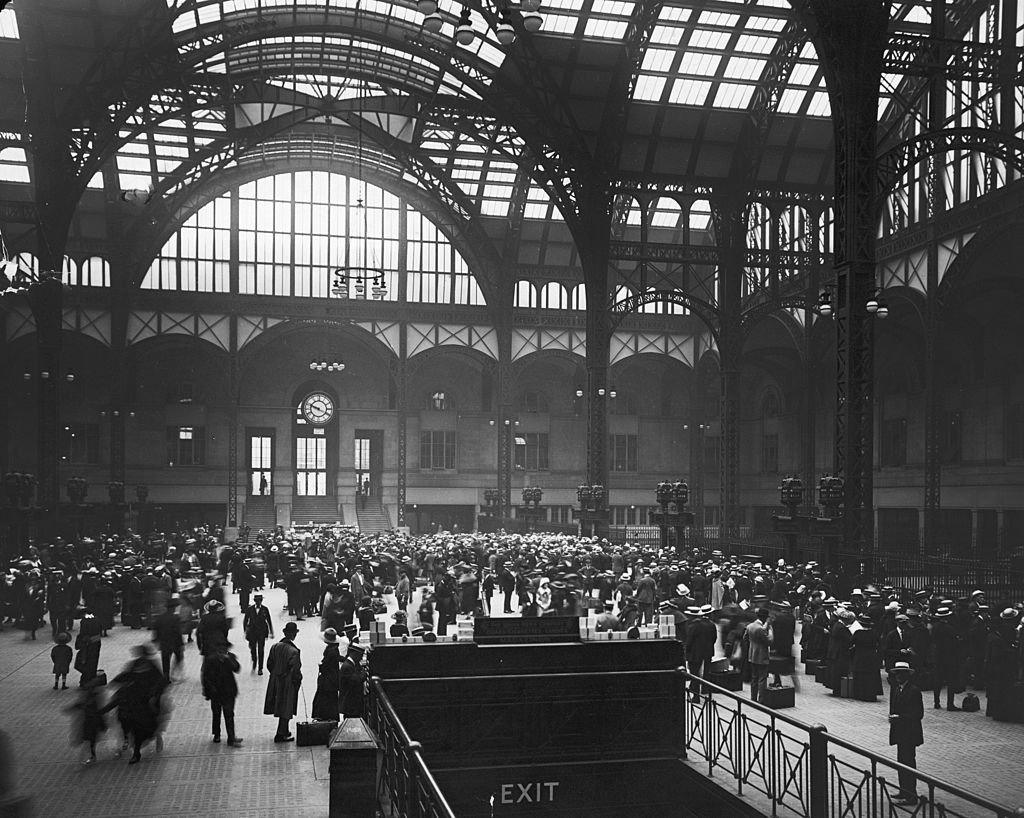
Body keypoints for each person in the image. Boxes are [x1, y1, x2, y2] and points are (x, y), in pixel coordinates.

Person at [104, 644, 168, 765]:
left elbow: (161, 682)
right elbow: (125, 675)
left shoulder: (151, 666)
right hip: (135, 700)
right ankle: (134, 747)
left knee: (144, 725)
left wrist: (154, 695)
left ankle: (139, 749)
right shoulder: (136, 664)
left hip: (146, 700)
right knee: (132, 724)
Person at [888, 661, 924, 805]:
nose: (897, 676)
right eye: (896, 673)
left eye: (900, 673)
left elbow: (918, 714)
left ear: (907, 675)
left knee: (908, 762)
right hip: (900, 733)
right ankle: (904, 790)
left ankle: (911, 795)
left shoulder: (914, 691)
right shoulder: (897, 689)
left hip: (909, 733)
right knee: (901, 762)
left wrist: (900, 718)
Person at [264, 620, 302, 742]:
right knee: (286, 707)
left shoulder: (275, 647)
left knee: (280, 706)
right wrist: (297, 681)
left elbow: (269, 664)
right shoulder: (294, 651)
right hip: (288, 683)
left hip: (275, 681)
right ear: (292, 635)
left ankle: (284, 731)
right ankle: (281, 734)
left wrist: (275, 674)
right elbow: (296, 670)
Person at [201, 645, 243, 746]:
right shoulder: (210, 660)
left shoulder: (230, 657)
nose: (222, 651)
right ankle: (217, 734)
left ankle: (231, 737)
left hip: (228, 691)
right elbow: (205, 676)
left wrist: (229, 659)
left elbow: (237, 669)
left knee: (229, 714)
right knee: (216, 713)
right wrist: (207, 691)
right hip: (215, 691)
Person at [64, 677, 107, 765]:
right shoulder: (91, 696)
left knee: (89, 739)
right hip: (89, 721)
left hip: (91, 721)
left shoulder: (92, 698)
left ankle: (91, 756)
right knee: (89, 739)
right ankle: (91, 755)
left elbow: (83, 705)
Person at [930, 606, 961, 711]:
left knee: (937, 681)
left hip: (938, 657)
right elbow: (955, 644)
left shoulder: (935, 627)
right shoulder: (950, 629)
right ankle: (950, 704)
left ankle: (937, 702)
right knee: (950, 681)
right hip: (949, 658)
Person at [685, 604, 717, 702]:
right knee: (706, 672)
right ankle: (705, 689)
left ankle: (696, 696)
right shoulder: (711, 624)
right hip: (708, 651)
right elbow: (714, 638)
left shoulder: (693, 625)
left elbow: (689, 641)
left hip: (695, 653)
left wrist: (687, 651)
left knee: (695, 674)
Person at [310, 628, 342, 722]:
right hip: (332, 678)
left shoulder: (331, 650)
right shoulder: (334, 649)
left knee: (325, 698)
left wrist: (322, 666)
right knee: (330, 699)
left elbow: (327, 665)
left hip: (328, 679)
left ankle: (325, 717)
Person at [152, 598, 184, 682]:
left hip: (164, 642)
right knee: (179, 657)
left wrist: (156, 640)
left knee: (165, 661)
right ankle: (174, 673)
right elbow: (178, 632)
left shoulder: (160, 618)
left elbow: (156, 630)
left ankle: (166, 677)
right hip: (175, 642)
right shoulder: (176, 618)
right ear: (174, 608)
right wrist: (181, 643)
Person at [743, 608, 770, 703]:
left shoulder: (750, 626)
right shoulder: (760, 629)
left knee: (754, 677)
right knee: (762, 678)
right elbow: (769, 641)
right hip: (762, 656)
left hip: (752, 655)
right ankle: (761, 699)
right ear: (765, 618)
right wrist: (770, 630)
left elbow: (745, 638)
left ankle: (753, 698)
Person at [243, 593, 274, 675]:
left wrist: (271, 631)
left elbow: (269, 620)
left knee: (261, 650)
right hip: (252, 632)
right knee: (253, 649)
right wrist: (245, 631)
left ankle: (260, 668)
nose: (258, 602)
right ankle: (254, 660)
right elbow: (245, 620)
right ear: (254, 601)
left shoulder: (265, 609)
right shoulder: (250, 609)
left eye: (260, 600)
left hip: (262, 632)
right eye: (257, 601)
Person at [74, 609, 103, 686]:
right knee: (93, 661)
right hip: (96, 643)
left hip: (87, 644)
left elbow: (83, 633)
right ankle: (90, 677)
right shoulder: (96, 619)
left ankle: (86, 678)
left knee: (85, 661)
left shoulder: (84, 621)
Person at [338, 644, 366, 719]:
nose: (361, 658)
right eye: (360, 655)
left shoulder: (351, 664)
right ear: (355, 654)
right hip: (350, 704)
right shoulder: (348, 667)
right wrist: (363, 674)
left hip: (351, 703)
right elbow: (356, 681)